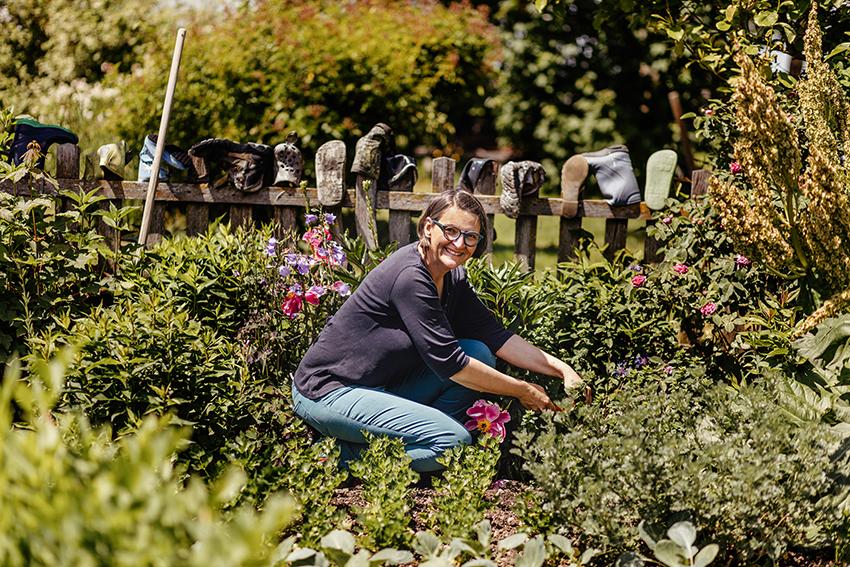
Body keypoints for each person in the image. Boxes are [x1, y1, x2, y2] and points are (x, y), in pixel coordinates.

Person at [291, 188, 583, 472]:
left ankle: (416, 440)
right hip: (329, 391)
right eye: (451, 231)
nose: (460, 243)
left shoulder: (452, 276)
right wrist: (523, 390)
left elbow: (495, 336)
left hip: (380, 387)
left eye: (471, 236)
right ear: (429, 228)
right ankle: (334, 455)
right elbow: (452, 365)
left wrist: (562, 369)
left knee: (479, 352)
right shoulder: (410, 277)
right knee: (451, 443)